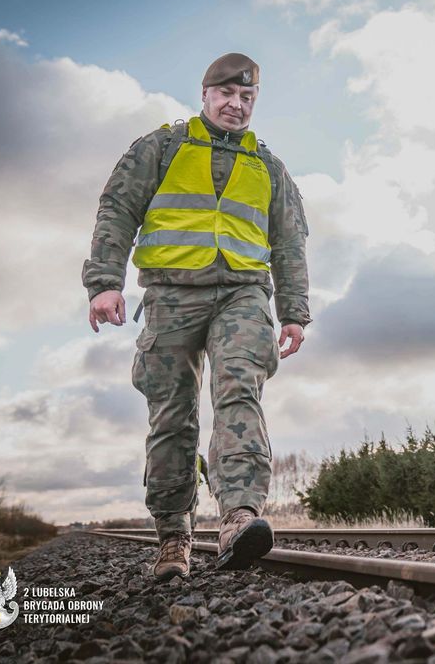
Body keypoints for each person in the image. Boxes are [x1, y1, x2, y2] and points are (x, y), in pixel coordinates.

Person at [83, 53, 311, 580]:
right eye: (227, 94)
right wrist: (105, 283)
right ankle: (173, 537)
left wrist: (294, 311)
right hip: (170, 295)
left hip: (243, 294)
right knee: (172, 415)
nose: (236, 105)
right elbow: (117, 209)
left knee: (238, 391)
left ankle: (238, 516)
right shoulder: (160, 148)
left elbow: (289, 243)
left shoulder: (269, 166)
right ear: (205, 94)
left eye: (247, 97)